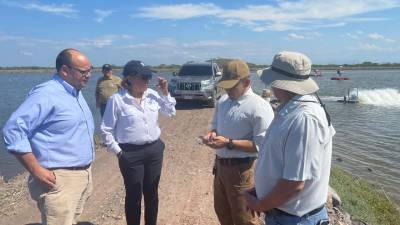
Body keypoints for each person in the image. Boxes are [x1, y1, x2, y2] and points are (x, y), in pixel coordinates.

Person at [2, 48, 95, 225]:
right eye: (83, 71)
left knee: (72, 220)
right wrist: (36, 170)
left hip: (81, 174)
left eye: (90, 69)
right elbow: (13, 129)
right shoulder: (46, 94)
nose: (89, 75)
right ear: (65, 70)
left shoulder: (75, 91)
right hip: (60, 179)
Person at [243, 51, 335, 225]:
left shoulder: (304, 118)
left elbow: (295, 184)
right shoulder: (291, 109)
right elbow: (284, 163)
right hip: (287, 216)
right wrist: (262, 191)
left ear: (280, 83)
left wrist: (261, 203)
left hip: (297, 219)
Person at [100, 60, 176, 225]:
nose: (148, 80)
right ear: (130, 78)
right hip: (130, 153)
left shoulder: (152, 95)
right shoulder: (117, 100)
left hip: (154, 150)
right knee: (134, 195)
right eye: (144, 76)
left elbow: (170, 112)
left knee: (152, 193)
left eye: (149, 76)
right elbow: (106, 130)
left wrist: (165, 92)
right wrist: (119, 152)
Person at [202, 59, 274, 225]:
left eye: (232, 86)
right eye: (225, 85)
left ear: (247, 82)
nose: (227, 89)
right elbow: (214, 126)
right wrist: (211, 135)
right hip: (220, 168)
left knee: (245, 219)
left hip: (243, 172)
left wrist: (228, 143)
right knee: (223, 213)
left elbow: (262, 146)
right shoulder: (223, 101)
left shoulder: (259, 106)